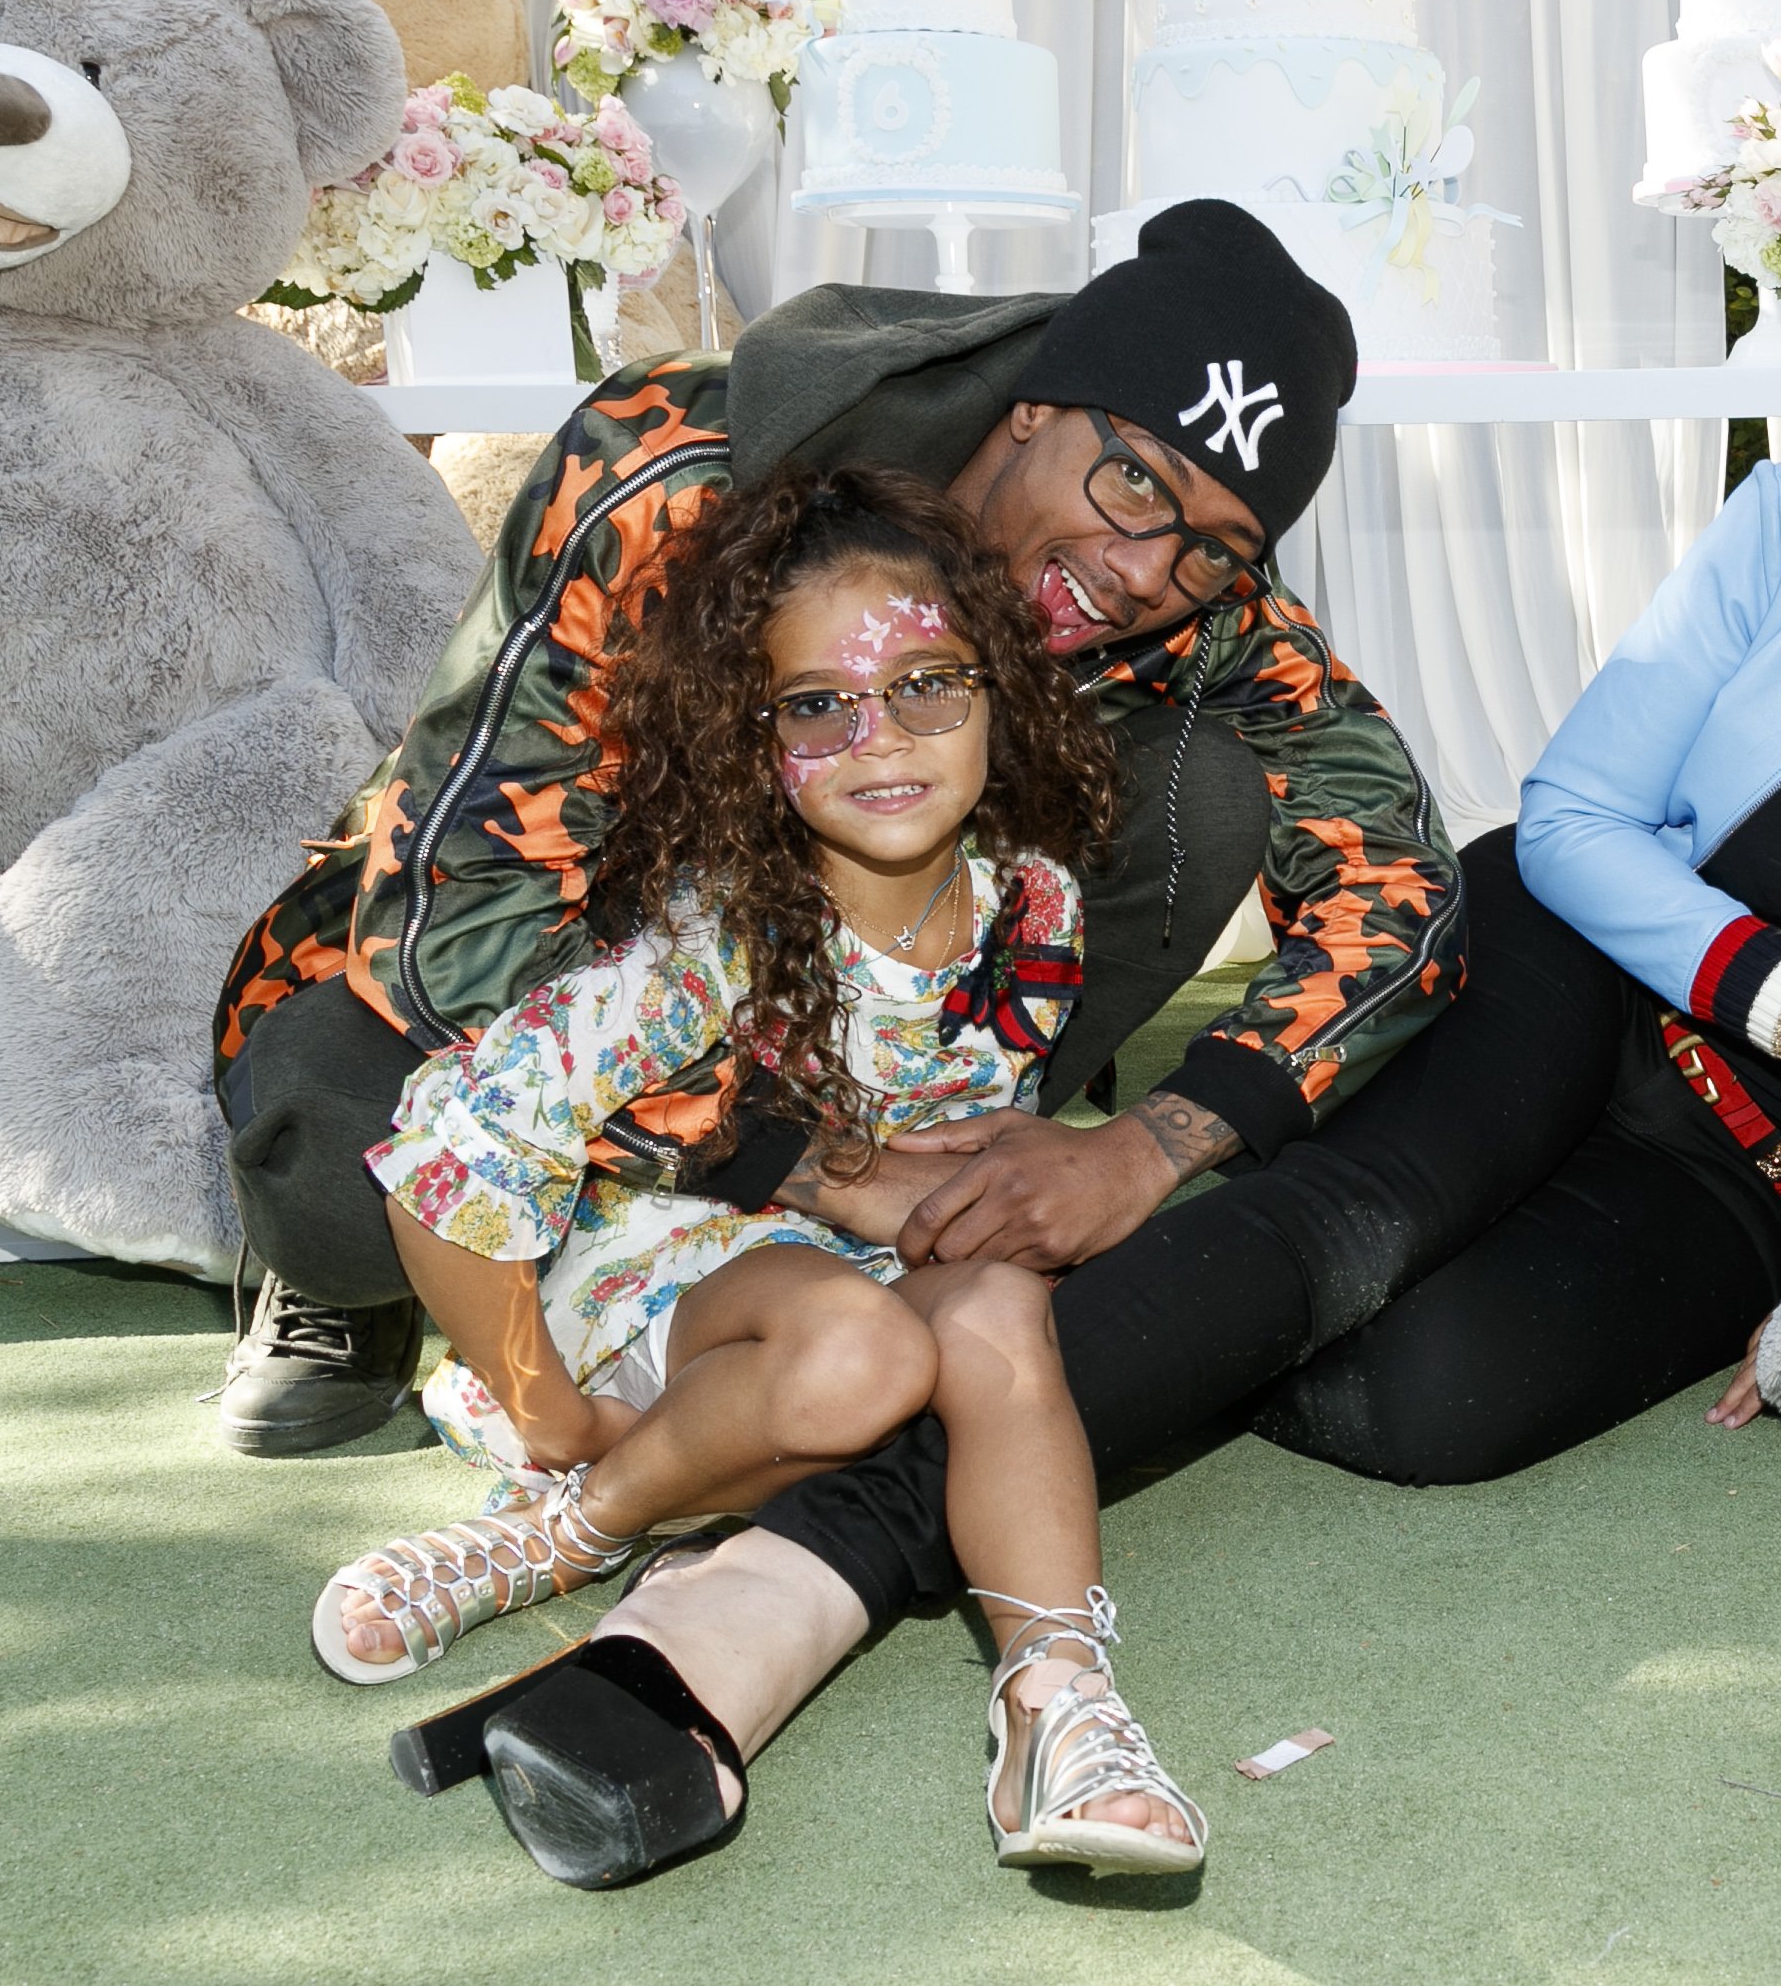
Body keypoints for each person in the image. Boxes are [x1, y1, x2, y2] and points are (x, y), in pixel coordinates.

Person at [447, 194, 1781, 1888]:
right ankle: (736, 1619)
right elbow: (1574, 823)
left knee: (1413, 1401)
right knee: (1328, 1237)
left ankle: (999, 1333)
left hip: (1743, 1178)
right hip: (1576, 975)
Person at [211, 198, 1453, 1458]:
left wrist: (1147, 1148)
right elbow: (465, 902)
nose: (1143, 570)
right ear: (1034, 403)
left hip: (858, 1009)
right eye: (1133, 476)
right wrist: (804, 1163)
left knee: (1201, 792)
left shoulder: (1194, 593)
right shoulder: (672, 472)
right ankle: (449, 1277)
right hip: (592, 983)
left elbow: (1406, 888)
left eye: (1212, 546)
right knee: (339, 1170)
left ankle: (967, 1169)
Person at [311, 470, 1202, 1880]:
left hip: (849, 1320)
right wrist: (546, 1407)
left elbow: (953, 1152)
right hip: (661, 1306)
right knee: (860, 1351)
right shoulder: (712, 932)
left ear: (1002, 693)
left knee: (1002, 1301)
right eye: (816, 705)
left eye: (925, 683)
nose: (882, 737)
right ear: (748, 730)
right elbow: (449, 1153)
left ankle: (1060, 1703)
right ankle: (569, 1525)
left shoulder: (1036, 901)